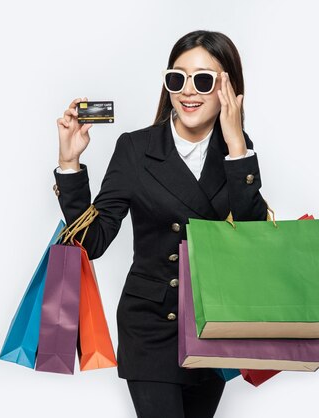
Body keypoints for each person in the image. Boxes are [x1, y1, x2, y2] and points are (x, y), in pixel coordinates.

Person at [53, 30, 267, 418]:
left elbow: (255, 240)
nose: (188, 91)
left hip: (213, 326)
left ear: (228, 90)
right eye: (177, 78)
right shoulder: (136, 148)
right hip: (151, 328)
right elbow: (93, 242)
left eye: (203, 80)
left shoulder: (237, 152)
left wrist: (237, 147)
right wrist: (70, 165)